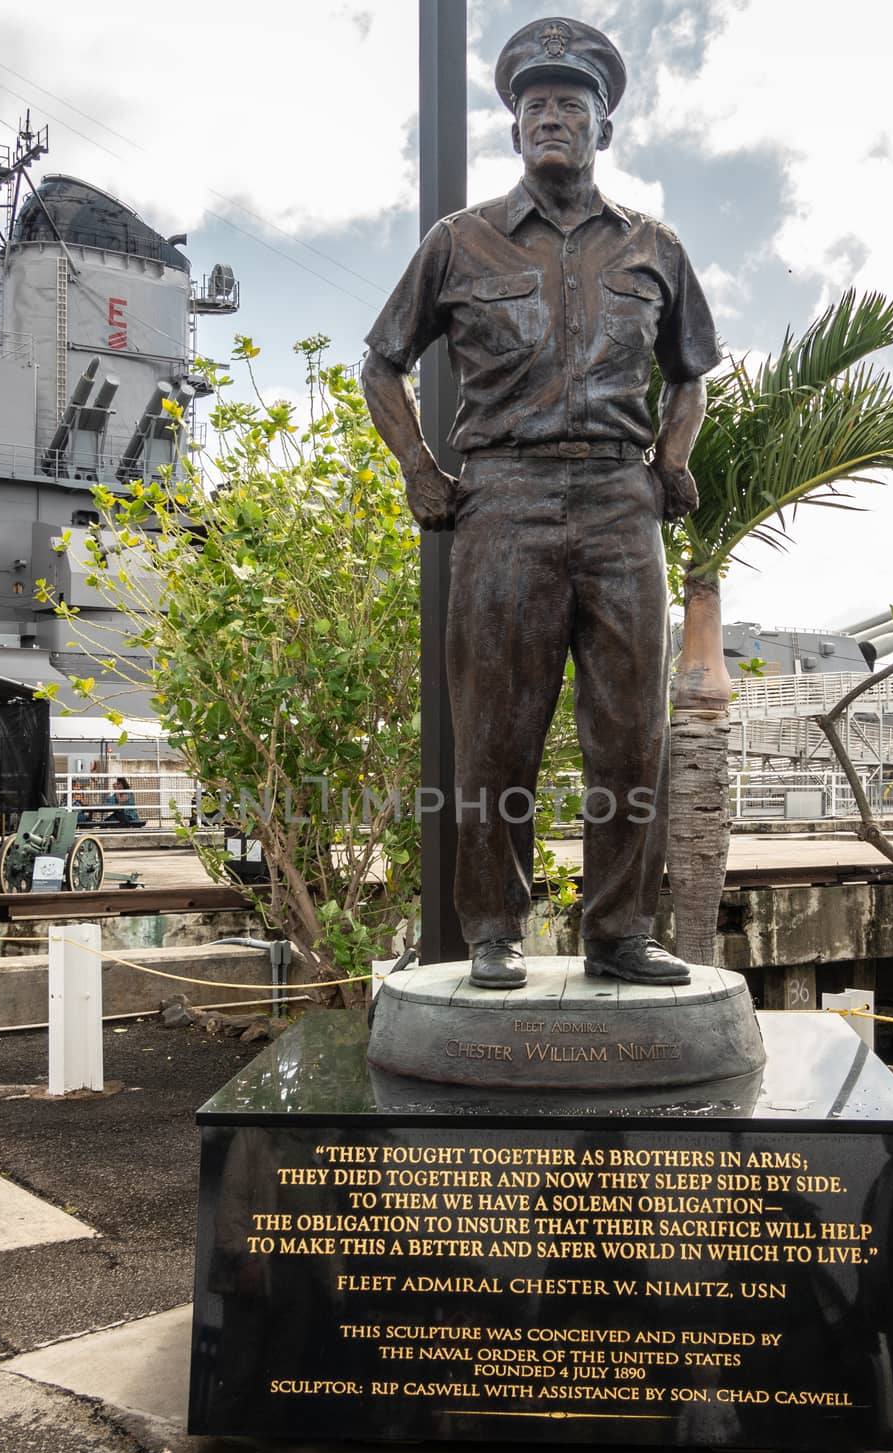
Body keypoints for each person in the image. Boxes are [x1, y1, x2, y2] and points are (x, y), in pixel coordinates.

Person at [362, 17, 720, 991]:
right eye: (533, 105)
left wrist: (667, 462)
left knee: (628, 733)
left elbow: (689, 374)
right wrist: (418, 468)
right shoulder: (459, 242)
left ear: (600, 128)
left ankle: (616, 933)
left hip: (617, 499)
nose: (550, 117)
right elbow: (380, 363)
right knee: (494, 730)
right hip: (502, 500)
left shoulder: (654, 247)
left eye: (569, 104)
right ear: (512, 127)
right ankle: (490, 928)